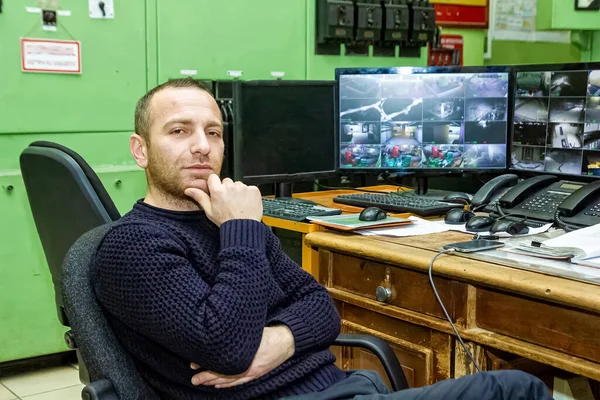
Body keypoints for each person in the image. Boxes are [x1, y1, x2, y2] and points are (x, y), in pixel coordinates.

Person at [92, 78, 554, 400]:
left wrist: (278, 342)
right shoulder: (133, 246)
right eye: (178, 131)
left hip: (337, 388)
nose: (201, 146)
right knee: (520, 389)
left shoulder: (231, 219)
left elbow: (320, 307)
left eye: (213, 132)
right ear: (140, 150)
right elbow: (228, 348)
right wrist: (242, 230)